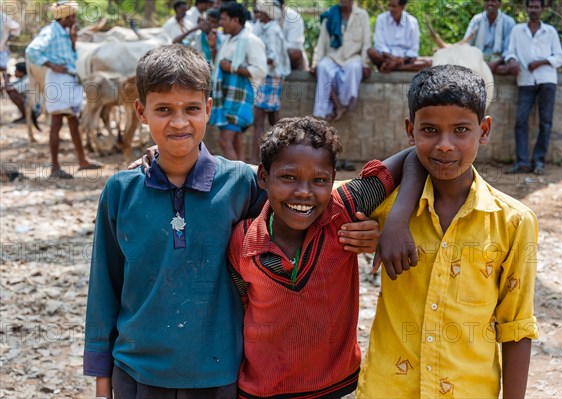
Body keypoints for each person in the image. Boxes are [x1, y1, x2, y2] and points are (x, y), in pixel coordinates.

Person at [85, 44, 380, 399]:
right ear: (141, 112)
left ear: (208, 109)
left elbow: (305, 204)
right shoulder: (120, 191)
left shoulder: (240, 183)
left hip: (220, 374)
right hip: (136, 371)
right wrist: (103, 384)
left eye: (191, 108)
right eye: (163, 109)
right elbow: (104, 287)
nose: (179, 122)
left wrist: (370, 228)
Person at [357, 65, 539, 398]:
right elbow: (318, 201)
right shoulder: (382, 207)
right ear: (410, 131)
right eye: (429, 130)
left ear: (484, 130)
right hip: (389, 388)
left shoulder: (513, 222)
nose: (444, 145)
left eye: (460, 130)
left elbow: (516, 328)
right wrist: (395, 218)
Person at [228, 116, 426, 398]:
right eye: (289, 177)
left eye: (319, 180)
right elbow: (240, 305)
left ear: (333, 180)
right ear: (263, 177)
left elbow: (415, 155)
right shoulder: (242, 241)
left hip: (337, 387)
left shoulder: (343, 210)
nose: (304, 192)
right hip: (260, 389)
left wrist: (396, 220)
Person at [25, 0, 101, 179]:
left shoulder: (66, 32)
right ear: (64, 17)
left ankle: (82, 161)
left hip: (69, 80)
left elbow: (71, 57)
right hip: (58, 81)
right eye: (72, 16)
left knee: (73, 121)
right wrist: (51, 65)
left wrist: (73, 43)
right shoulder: (50, 32)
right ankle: (54, 167)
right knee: (56, 123)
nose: (74, 18)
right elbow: (31, 50)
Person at [504, 0, 562, 176]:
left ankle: (539, 161)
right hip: (525, 80)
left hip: (547, 80)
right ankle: (523, 162)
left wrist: (541, 62)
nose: (533, 10)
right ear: (527, 9)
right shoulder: (517, 30)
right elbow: (510, 52)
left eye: (537, 7)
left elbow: (559, 57)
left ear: (542, 9)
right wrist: (512, 61)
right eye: (531, 6)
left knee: (545, 122)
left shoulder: (550, 31)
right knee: (520, 121)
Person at [210, 2, 267, 160]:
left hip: (240, 99)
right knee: (235, 140)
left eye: (223, 19)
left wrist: (233, 68)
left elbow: (261, 70)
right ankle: (243, 175)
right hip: (227, 97)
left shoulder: (251, 41)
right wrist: (214, 48)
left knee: (224, 140)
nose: (220, 23)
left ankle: (235, 178)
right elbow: (219, 66)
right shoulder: (228, 40)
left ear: (235, 20)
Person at [311, 0, 371, 123]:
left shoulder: (362, 15)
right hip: (332, 56)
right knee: (322, 67)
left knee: (354, 69)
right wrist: (315, 63)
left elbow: (366, 42)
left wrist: (366, 64)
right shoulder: (329, 14)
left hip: (353, 56)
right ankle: (335, 107)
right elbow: (321, 43)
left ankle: (342, 105)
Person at [251, 0, 291, 164]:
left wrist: (255, 64)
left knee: (259, 118)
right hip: (271, 76)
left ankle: (255, 159)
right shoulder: (267, 28)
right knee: (273, 118)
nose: (258, 14)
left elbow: (272, 58)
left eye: (260, 11)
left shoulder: (272, 31)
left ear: (267, 13)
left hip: (270, 76)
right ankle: (285, 153)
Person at [367, 0, 430, 72]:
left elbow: (414, 49)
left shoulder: (412, 22)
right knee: (371, 52)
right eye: (389, 6)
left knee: (427, 63)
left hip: (405, 59)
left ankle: (391, 68)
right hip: (386, 58)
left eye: (394, 6)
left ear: (402, 7)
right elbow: (379, 45)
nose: (390, 9)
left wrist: (400, 60)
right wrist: (393, 59)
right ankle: (397, 66)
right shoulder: (381, 19)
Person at [464, 0, 516, 75]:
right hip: (479, 58)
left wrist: (494, 64)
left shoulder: (509, 22)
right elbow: (467, 44)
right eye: (487, 0)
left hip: (499, 61)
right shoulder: (476, 19)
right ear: (484, 3)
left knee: (507, 68)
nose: (490, 3)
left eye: (494, 1)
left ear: (500, 4)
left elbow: (508, 50)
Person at [278, 0, 308, 70]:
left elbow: (294, 46)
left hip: (288, 57)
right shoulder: (262, 15)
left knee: (294, 53)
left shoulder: (293, 17)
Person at [0, 11, 21, 87]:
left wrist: (8, 35)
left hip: (1, 48)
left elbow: (16, 27)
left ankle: (7, 86)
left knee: (3, 68)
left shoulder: (3, 17)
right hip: (2, 48)